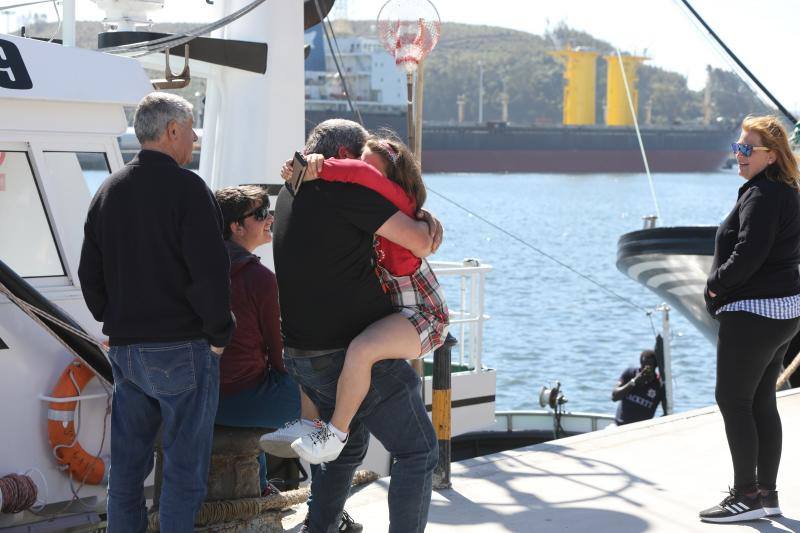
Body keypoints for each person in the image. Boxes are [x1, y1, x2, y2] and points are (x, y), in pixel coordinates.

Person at [272, 119, 441, 533]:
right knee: (417, 450)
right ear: (345, 157)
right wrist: (430, 226)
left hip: (300, 354)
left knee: (347, 446)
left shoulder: (288, 192)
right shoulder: (342, 191)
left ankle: (321, 527)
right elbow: (419, 242)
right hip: (343, 350)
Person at [78, 92, 235, 532]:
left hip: (127, 350)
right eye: (191, 129)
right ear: (171, 131)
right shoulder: (188, 189)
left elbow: (89, 274)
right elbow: (210, 273)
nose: (196, 137)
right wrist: (220, 333)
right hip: (183, 347)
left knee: (126, 474)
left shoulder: (108, 189)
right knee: (183, 475)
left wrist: (117, 319)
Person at [213, 185, 362, 531]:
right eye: (260, 213)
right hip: (237, 400)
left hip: (203, 397)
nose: (270, 219)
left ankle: (263, 485)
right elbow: (283, 357)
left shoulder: (202, 270)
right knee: (332, 415)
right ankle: (324, 513)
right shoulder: (258, 279)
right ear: (236, 227)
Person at [699, 115, 800, 523]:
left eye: (745, 149)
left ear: (770, 155)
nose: (736, 155)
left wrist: (714, 286)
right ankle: (767, 495)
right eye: (737, 147)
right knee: (761, 401)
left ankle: (745, 496)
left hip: (754, 314)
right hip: (784, 313)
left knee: (733, 400)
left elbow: (748, 255)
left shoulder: (761, 194)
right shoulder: (787, 191)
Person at [611, 349, 665, 426]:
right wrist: (634, 382)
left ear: (655, 366)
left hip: (641, 429)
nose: (645, 371)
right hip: (619, 425)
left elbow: (666, 411)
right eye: (643, 366)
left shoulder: (659, 385)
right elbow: (614, 397)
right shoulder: (630, 374)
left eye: (649, 367)